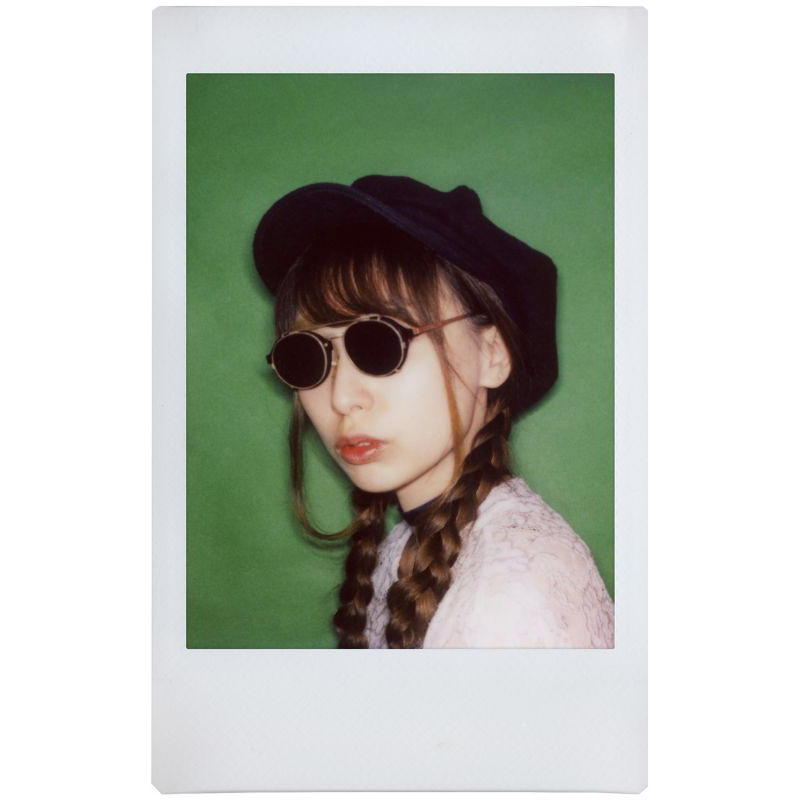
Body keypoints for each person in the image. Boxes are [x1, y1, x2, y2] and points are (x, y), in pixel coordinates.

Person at [253, 175, 614, 649]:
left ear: (493, 354)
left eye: (380, 344)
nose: (341, 398)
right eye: (307, 356)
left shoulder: (508, 601)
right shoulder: (408, 549)